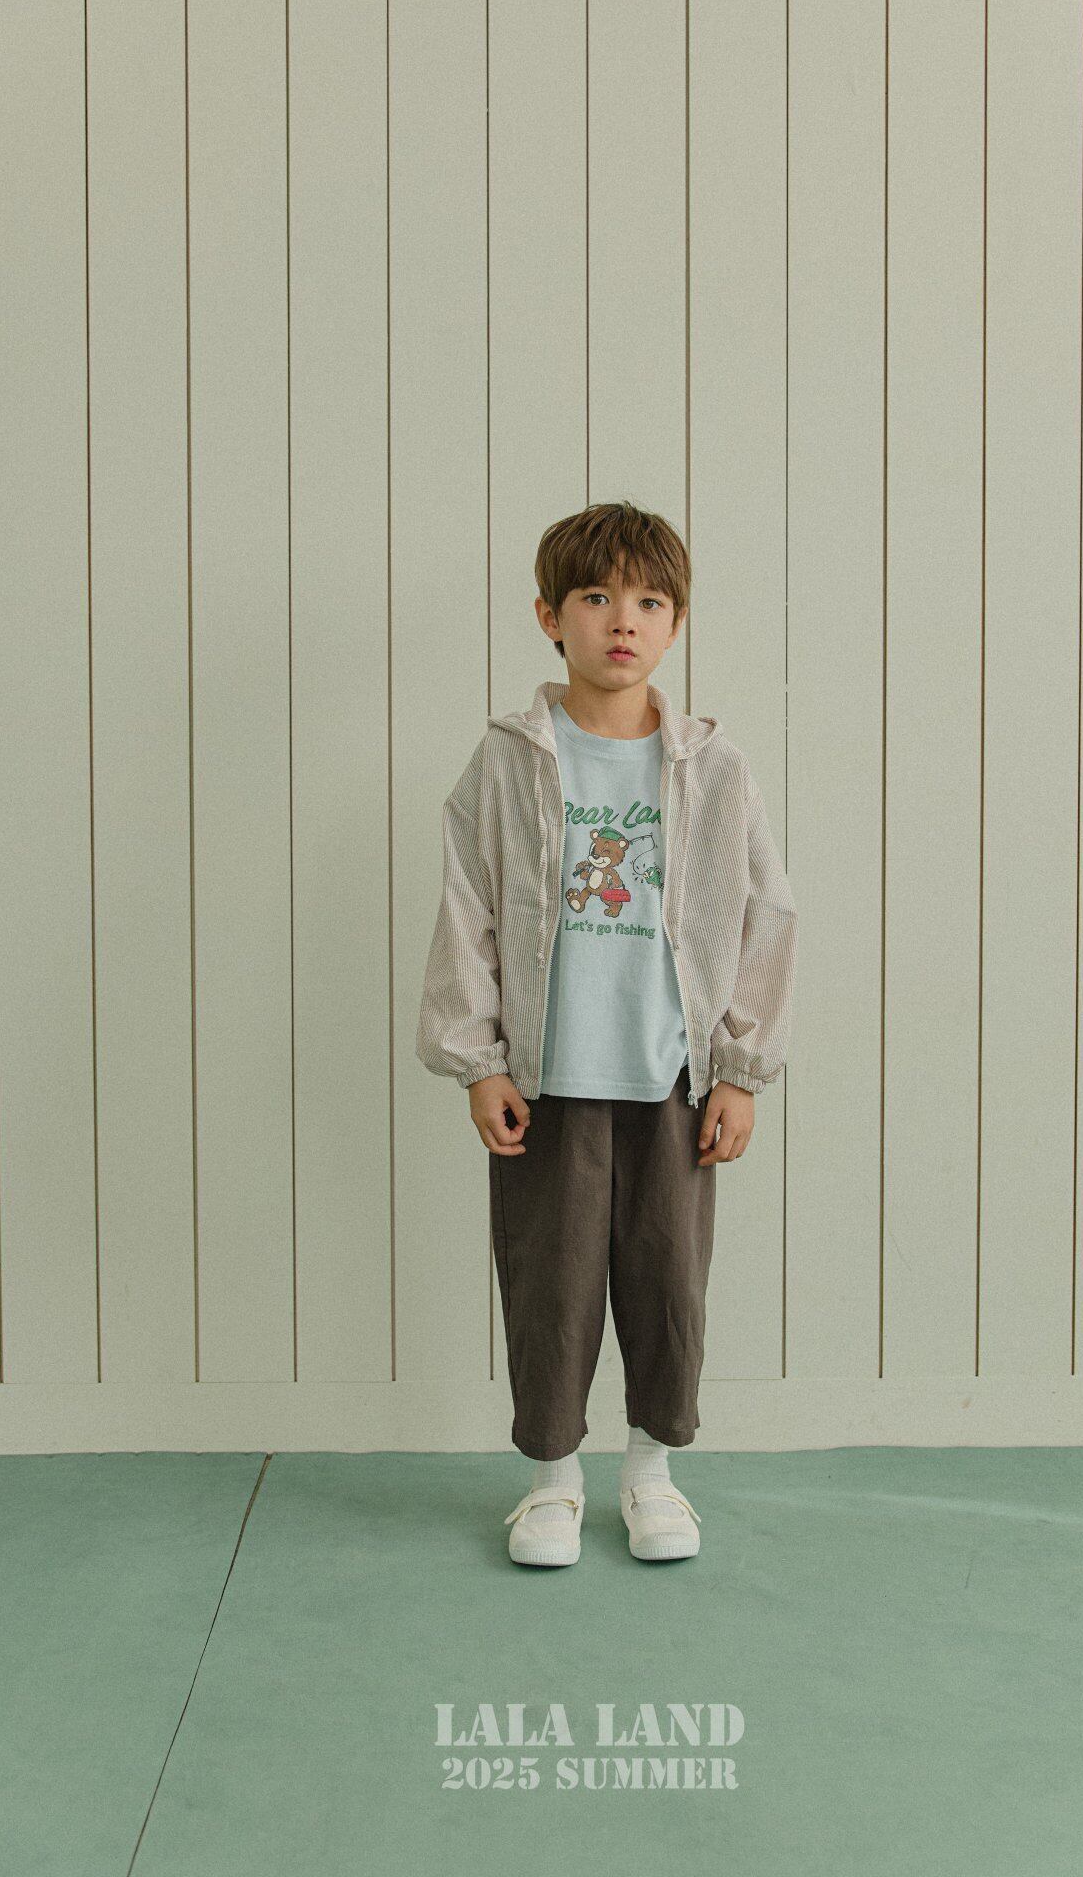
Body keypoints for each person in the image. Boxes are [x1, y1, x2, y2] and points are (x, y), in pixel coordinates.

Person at [416, 500, 798, 1568]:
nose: (621, 620)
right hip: (548, 1081)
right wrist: (478, 1061)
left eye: (648, 601)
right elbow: (466, 909)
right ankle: (550, 1486)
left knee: (667, 1284)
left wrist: (740, 1069)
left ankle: (649, 1475)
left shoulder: (713, 771)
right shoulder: (508, 762)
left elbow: (766, 915)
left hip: (672, 1081)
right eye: (594, 597)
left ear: (675, 623)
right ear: (550, 616)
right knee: (551, 1286)